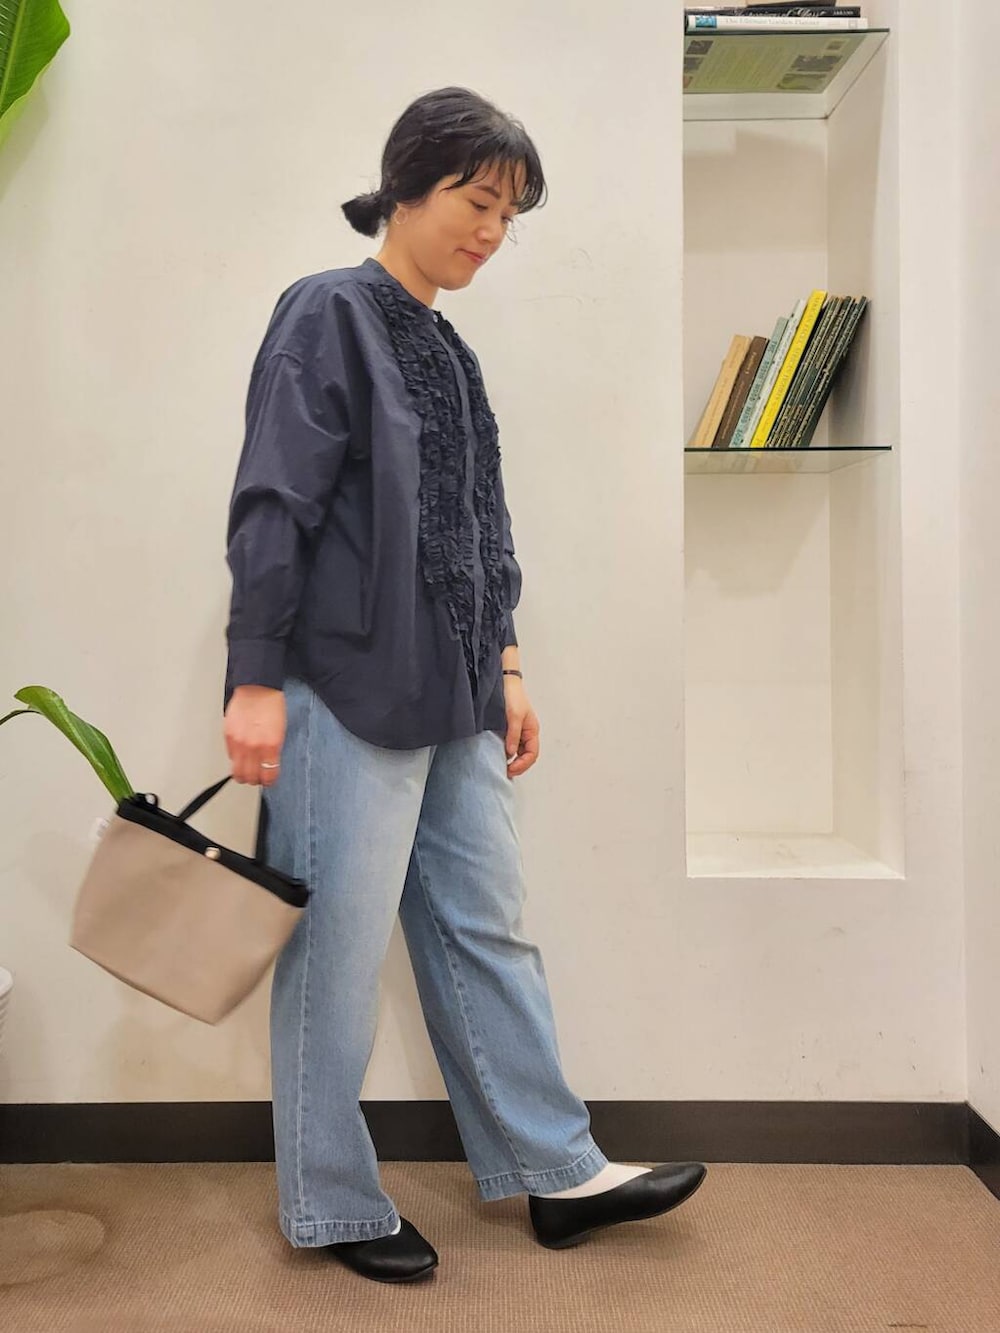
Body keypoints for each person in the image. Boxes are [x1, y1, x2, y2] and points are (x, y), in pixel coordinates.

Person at [222, 86, 706, 1285]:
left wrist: (509, 667)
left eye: (508, 215)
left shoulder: (448, 346)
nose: (491, 231)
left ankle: (554, 1169)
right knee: (336, 953)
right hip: (344, 686)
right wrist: (254, 678)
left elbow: (480, 527)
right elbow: (273, 501)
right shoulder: (327, 311)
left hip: (458, 694)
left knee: (487, 926)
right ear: (405, 186)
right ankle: (331, 1202)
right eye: (475, 200)